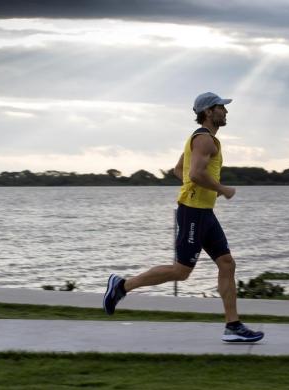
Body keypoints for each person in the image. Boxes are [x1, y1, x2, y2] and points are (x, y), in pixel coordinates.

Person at [103, 92, 264, 343]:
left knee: (227, 263)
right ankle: (122, 286)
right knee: (181, 271)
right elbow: (196, 174)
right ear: (209, 112)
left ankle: (233, 326)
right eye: (221, 107)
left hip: (203, 212)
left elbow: (180, 170)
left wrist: (196, 187)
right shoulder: (204, 140)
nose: (226, 112)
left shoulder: (200, 139)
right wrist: (221, 189)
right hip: (193, 212)